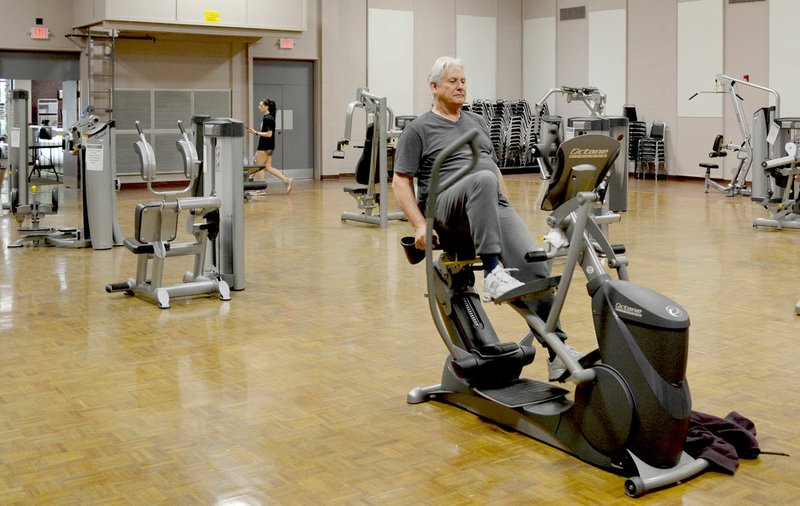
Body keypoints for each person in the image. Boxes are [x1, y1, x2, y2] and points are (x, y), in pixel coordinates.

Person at [391, 56, 581, 382]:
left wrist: (506, 210)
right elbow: (400, 181)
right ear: (433, 87)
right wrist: (420, 225)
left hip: (486, 198)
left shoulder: (476, 122)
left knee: (534, 266)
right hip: (446, 206)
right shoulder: (418, 130)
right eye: (453, 81)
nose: (461, 86)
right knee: (481, 180)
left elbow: (493, 171)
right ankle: (492, 272)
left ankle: (558, 353)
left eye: (463, 81)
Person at [246, 98, 293, 194]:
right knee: (267, 167)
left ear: (266, 106)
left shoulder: (268, 118)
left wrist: (255, 132)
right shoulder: (270, 117)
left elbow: (269, 134)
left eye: (261, 105)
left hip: (264, 145)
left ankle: (260, 189)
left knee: (259, 167)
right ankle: (287, 180)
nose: (259, 107)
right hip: (270, 146)